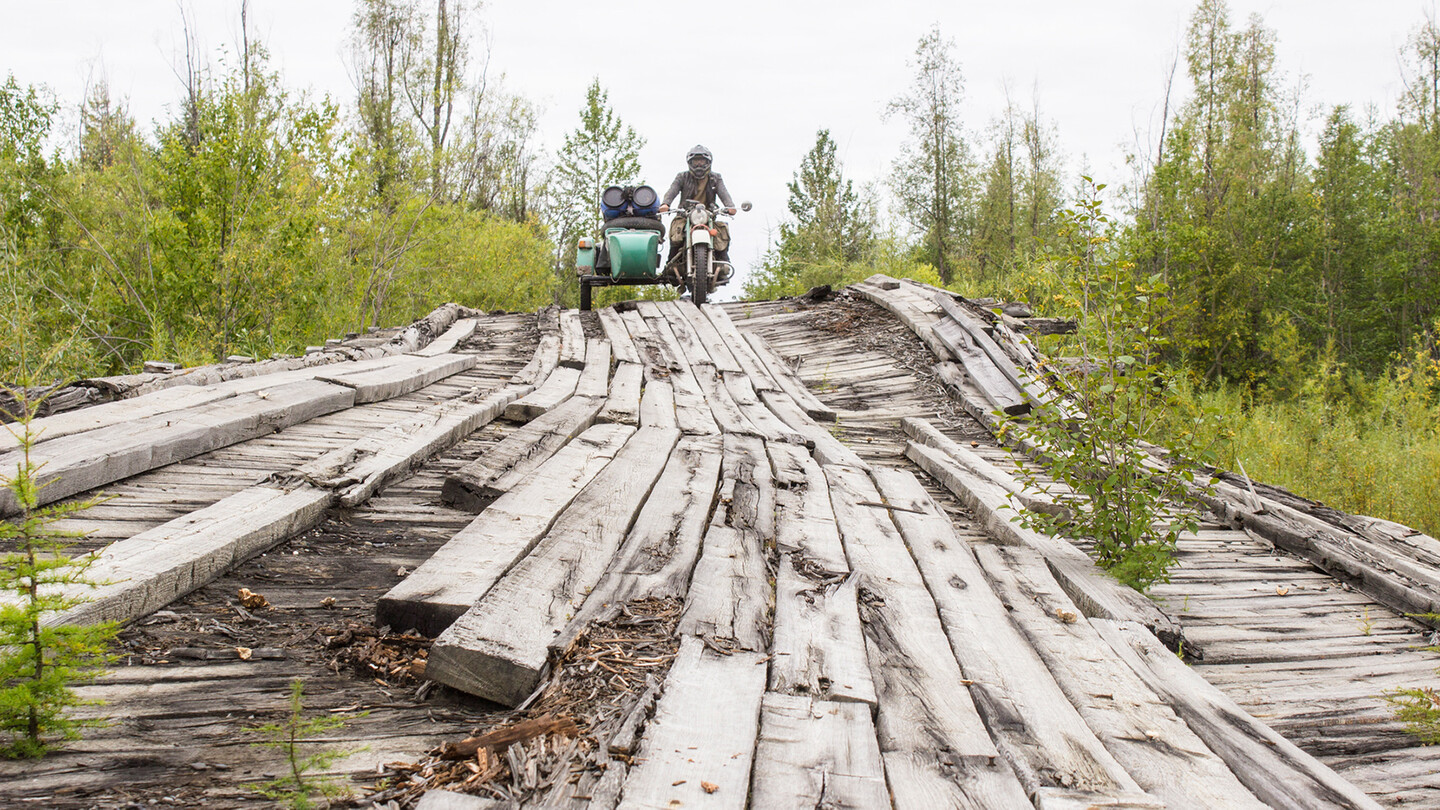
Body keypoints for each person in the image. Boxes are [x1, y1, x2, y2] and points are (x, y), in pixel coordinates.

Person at [658, 145, 736, 269]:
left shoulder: (716, 178)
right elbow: (672, 191)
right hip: (685, 215)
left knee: (721, 232)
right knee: (676, 233)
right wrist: (665, 204)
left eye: (702, 161)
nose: (699, 164)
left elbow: (724, 193)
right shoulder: (682, 177)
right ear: (690, 163)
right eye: (696, 161)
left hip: (708, 215)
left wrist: (730, 206)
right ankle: (672, 266)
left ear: (708, 162)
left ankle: (723, 264)